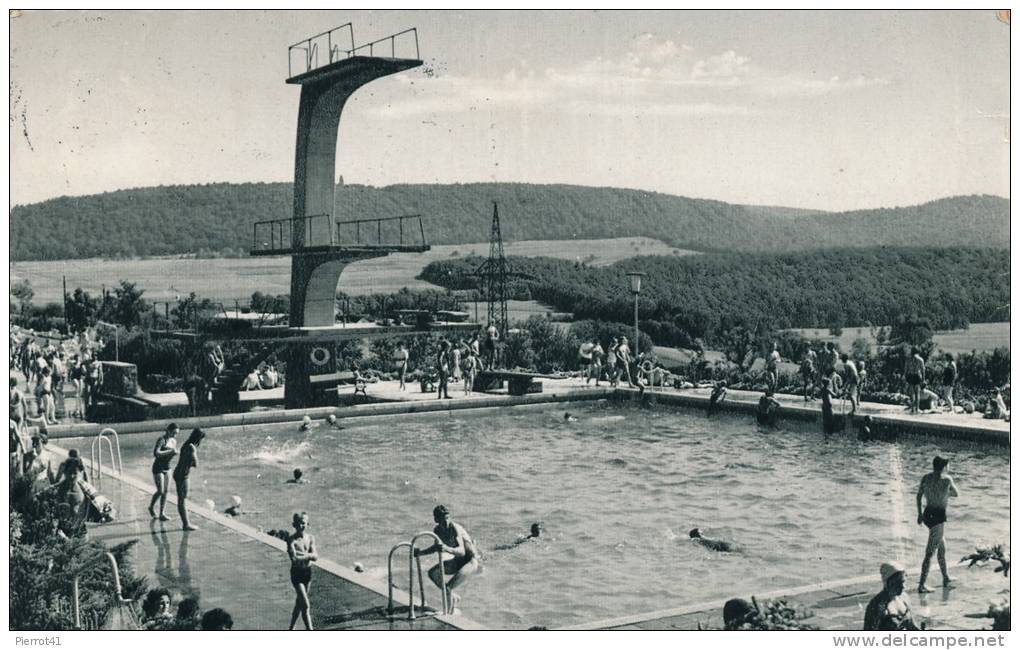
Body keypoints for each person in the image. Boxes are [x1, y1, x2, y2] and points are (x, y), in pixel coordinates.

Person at [414, 505, 480, 612]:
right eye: (443, 519)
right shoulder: (437, 530)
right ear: (436, 520)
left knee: (448, 588)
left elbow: (462, 552)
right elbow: (436, 547)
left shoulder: (455, 528)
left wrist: (446, 548)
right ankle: (453, 597)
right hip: (457, 561)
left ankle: (449, 614)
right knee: (433, 573)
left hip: (471, 561)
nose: (446, 522)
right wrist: (420, 553)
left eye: (448, 518)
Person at [916, 456, 959, 593]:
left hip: (927, 514)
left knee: (942, 549)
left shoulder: (926, 478)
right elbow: (956, 493)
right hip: (938, 517)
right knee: (930, 553)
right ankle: (921, 585)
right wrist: (945, 494)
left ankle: (945, 578)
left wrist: (919, 514)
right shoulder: (947, 479)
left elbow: (918, 496)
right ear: (944, 467)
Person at [864, 562, 921, 630]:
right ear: (887, 582)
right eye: (898, 583)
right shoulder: (877, 605)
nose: (902, 586)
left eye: (903, 582)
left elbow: (912, 626)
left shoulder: (904, 597)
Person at [287, 511, 318, 630]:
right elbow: (294, 559)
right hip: (297, 575)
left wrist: (304, 555)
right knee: (305, 605)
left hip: (307, 573)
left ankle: (291, 628)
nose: (301, 526)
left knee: (299, 603)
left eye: (304, 523)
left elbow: (316, 556)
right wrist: (309, 555)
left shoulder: (310, 538)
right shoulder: (291, 540)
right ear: (294, 525)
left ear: (307, 524)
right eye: (299, 523)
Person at [173, 428, 206, 531]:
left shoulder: (185, 444)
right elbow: (196, 464)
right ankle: (186, 524)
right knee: (182, 500)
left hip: (178, 472)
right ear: (198, 438)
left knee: (181, 499)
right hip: (183, 475)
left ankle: (185, 523)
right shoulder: (192, 447)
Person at [148, 423, 179, 521]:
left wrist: (175, 453)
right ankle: (151, 507)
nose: (175, 435)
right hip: (158, 467)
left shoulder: (174, 441)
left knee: (166, 491)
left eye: (176, 433)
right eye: (173, 433)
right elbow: (156, 453)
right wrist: (170, 452)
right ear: (168, 431)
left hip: (167, 467)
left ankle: (162, 513)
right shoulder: (162, 440)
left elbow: (170, 455)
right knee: (160, 490)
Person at [904, 347, 925, 415]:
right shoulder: (920, 359)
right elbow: (923, 370)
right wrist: (923, 379)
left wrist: (906, 377)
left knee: (912, 393)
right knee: (917, 393)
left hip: (910, 376)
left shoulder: (908, 359)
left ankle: (912, 408)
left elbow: (906, 369)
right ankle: (917, 408)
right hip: (917, 376)